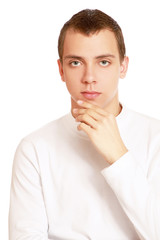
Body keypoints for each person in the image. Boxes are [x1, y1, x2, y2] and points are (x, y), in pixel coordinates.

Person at [9, 9, 160, 240]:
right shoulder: (34, 149)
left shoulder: (155, 137)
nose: (89, 77)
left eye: (104, 62)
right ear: (61, 69)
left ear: (123, 67)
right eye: (76, 62)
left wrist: (119, 156)